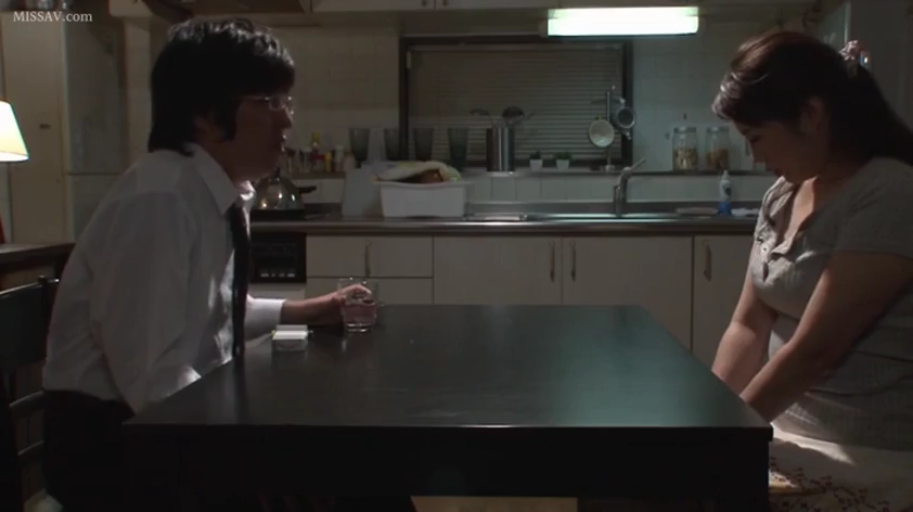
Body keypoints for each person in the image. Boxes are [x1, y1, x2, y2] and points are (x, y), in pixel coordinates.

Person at [40, 18, 413, 512]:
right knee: (351, 475)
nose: (286, 121)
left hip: (168, 423)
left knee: (365, 468)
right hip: (114, 445)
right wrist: (251, 443)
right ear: (205, 115)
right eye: (270, 102)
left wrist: (306, 310)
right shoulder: (159, 198)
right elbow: (153, 378)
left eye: (286, 102)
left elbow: (211, 312)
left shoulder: (211, 188)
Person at [710, 30, 913, 510]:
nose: (755, 157)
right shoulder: (782, 194)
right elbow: (747, 325)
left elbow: (815, 351)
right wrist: (710, 420)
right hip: (780, 429)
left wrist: (727, 436)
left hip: (866, 450)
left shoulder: (889, 192)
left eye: (756, 138)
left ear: (811, 115)